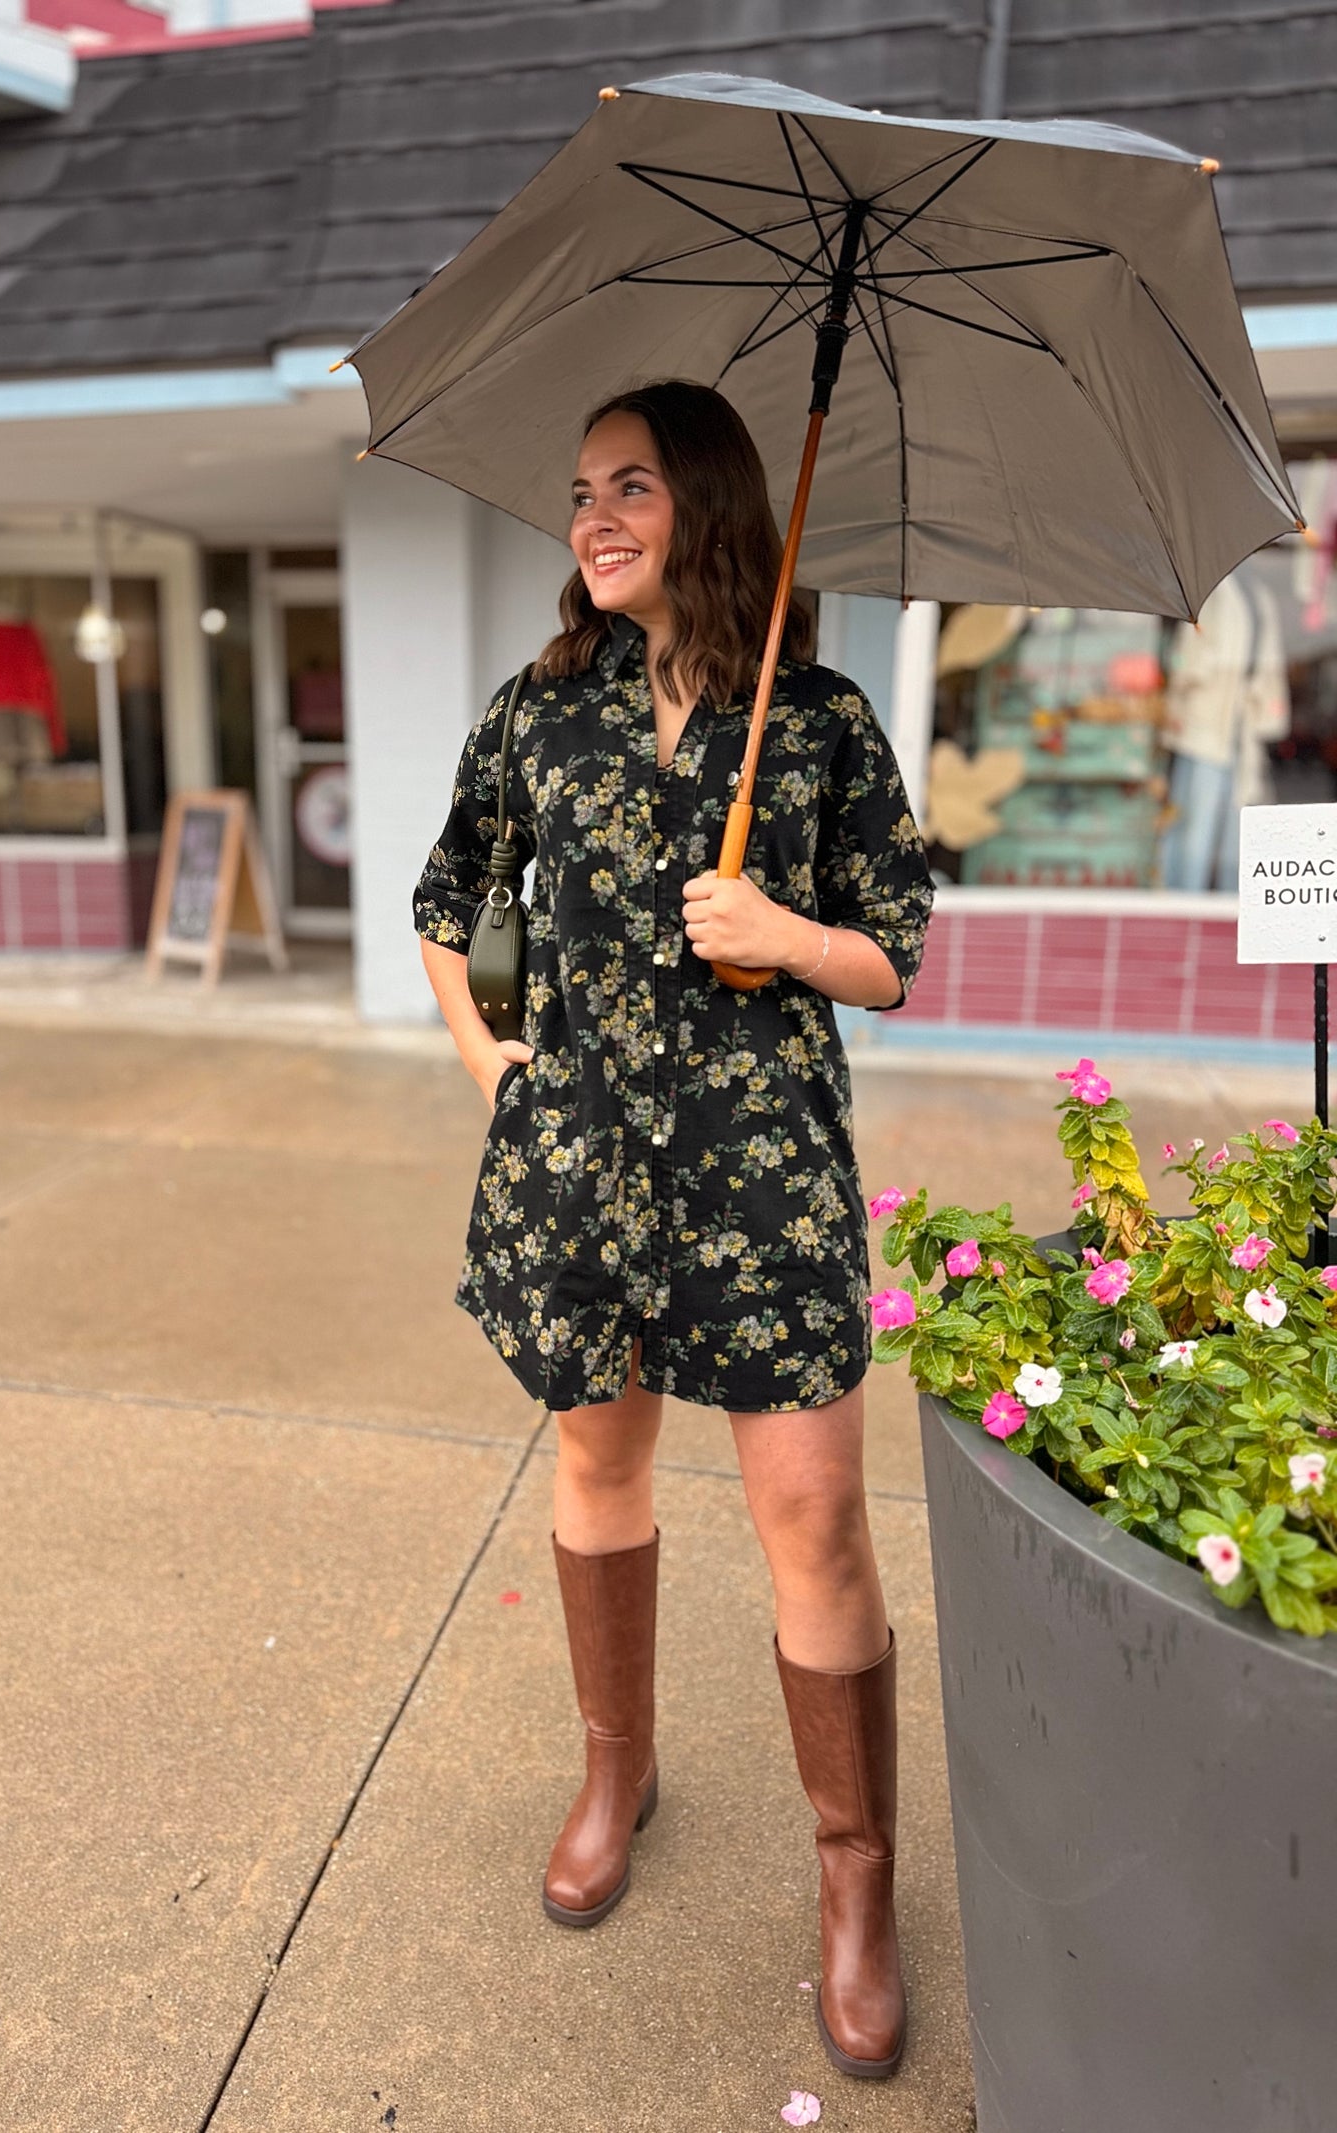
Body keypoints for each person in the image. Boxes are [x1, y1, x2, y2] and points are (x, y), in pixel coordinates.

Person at [413, 380, 933, 2081]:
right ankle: (614, 1763)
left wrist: (781, 925)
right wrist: (500, 1068)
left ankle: (857, 1878)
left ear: (705, 500)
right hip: (586, 1173)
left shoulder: (825, 717)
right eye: (579, 491)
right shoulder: (539, 708)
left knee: (816, 1518)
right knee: (600, 1467)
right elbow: (450, 899)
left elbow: (895, 953)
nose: (592, 517)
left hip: (763, 1175)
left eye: (629, 484)